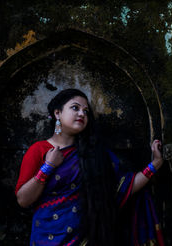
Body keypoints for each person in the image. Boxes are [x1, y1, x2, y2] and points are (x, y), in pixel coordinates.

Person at [15, 89, 164, 246]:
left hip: (86, 238)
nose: (82, 114)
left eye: (86, 111)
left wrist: (155, 164)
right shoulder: (39, 150)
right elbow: (23, 200)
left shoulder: (95, 155)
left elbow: (123, 187)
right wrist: (48, 166)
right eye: (75, 108)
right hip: (45, 237)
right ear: (57, 113)